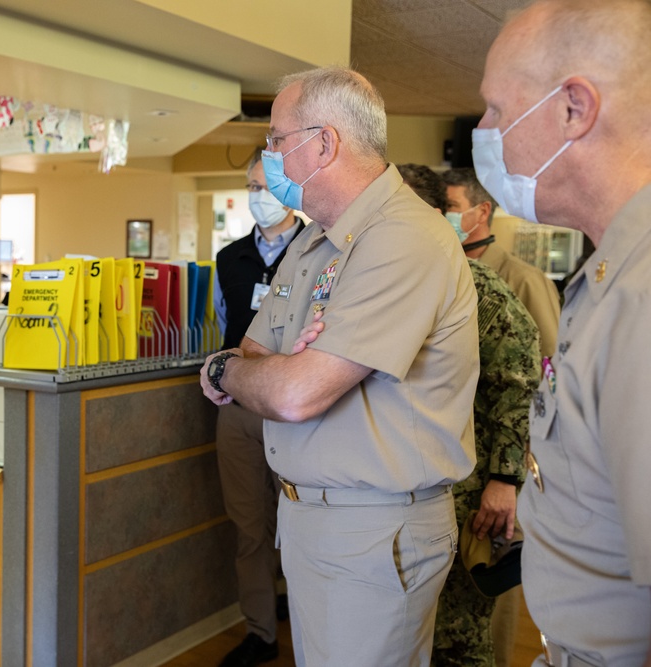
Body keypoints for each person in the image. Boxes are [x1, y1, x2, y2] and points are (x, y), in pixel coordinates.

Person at [199, 66, 479, 666]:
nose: (269, 156)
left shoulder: (404, 237)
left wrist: (226, 374)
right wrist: (260, 367)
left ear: (323, 143)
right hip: (311, 517)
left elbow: (297, 393)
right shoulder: (315, 238)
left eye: (277, 139)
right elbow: (252, 350)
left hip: (373, 528)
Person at [475, 1, 651, 665]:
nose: (486, 130)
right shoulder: (609, 272)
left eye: (496, 108)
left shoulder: (641, 294)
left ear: (573, 108)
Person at [397, 163, 540, 667]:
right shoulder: (374, 286)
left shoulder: (480, 288)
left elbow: (519, 387)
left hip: (462, 497)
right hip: (396, 493)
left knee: (457, 639)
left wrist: (504, 479)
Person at [212, 150, 304, 666]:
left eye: (265, 186)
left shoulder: (320, 252)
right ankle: (261, 632)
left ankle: (307, 621)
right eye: (249, 187)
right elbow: (227, 324)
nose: (257, 197)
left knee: (300, 521)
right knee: (249, 524)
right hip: (239, 404)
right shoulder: (230, 259)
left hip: (296, 403)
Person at [442, 167, 561, 359]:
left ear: (482, 212)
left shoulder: (523, 279)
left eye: (450, 206)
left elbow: (550, 356)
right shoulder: (441, 272)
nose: (440, 214)